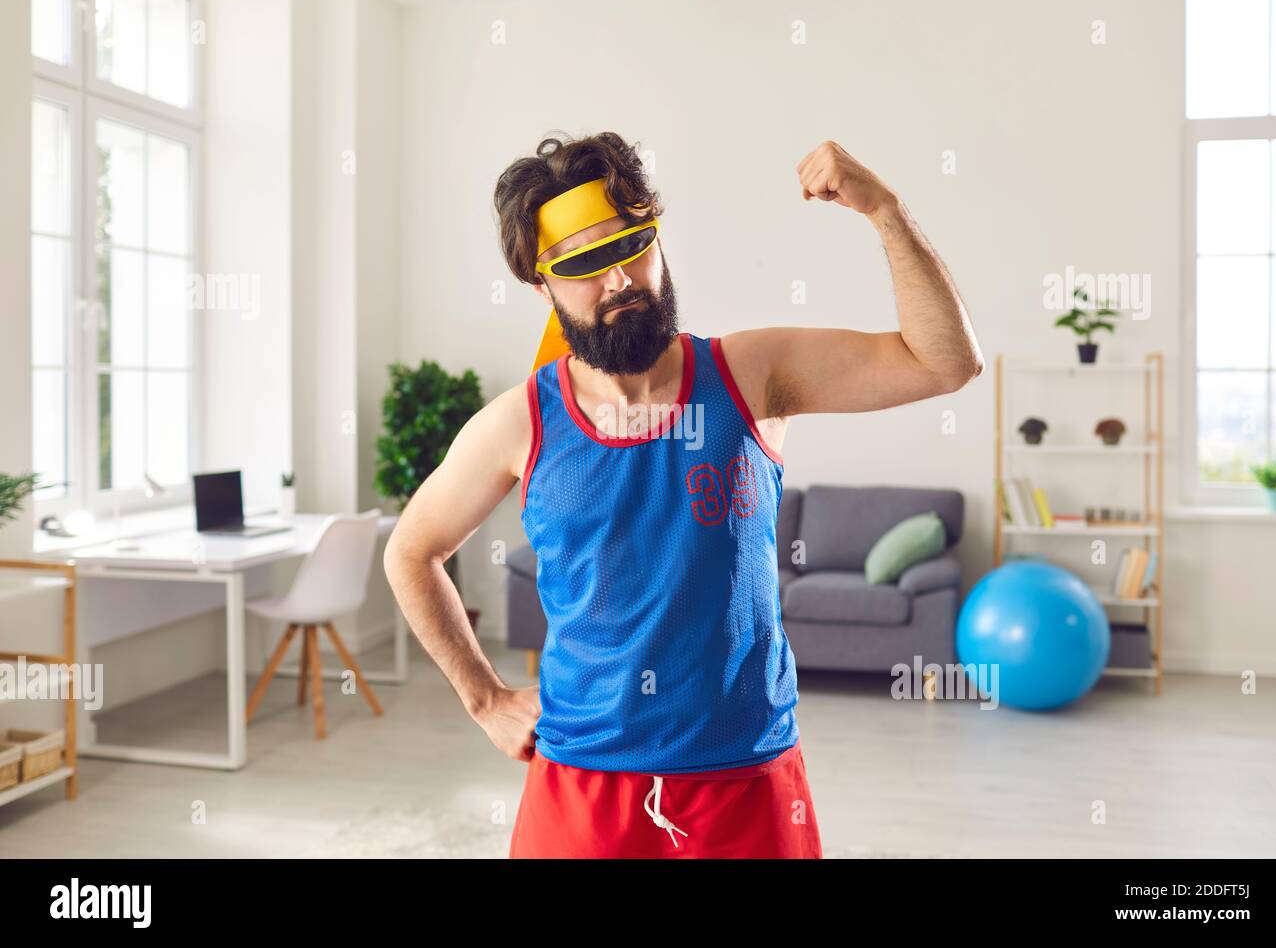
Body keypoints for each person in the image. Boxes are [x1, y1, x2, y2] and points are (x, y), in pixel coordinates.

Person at [383, 132, 983, 858]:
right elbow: (412, 552)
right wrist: (485, 700)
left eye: (631, 246)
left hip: (748, 776)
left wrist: (883, 209)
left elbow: (946, 363)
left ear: (656, 237)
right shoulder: (519, 423)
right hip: (583, 784)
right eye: (582, 263)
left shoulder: (755, 375)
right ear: (541, 287)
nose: (618, 282)